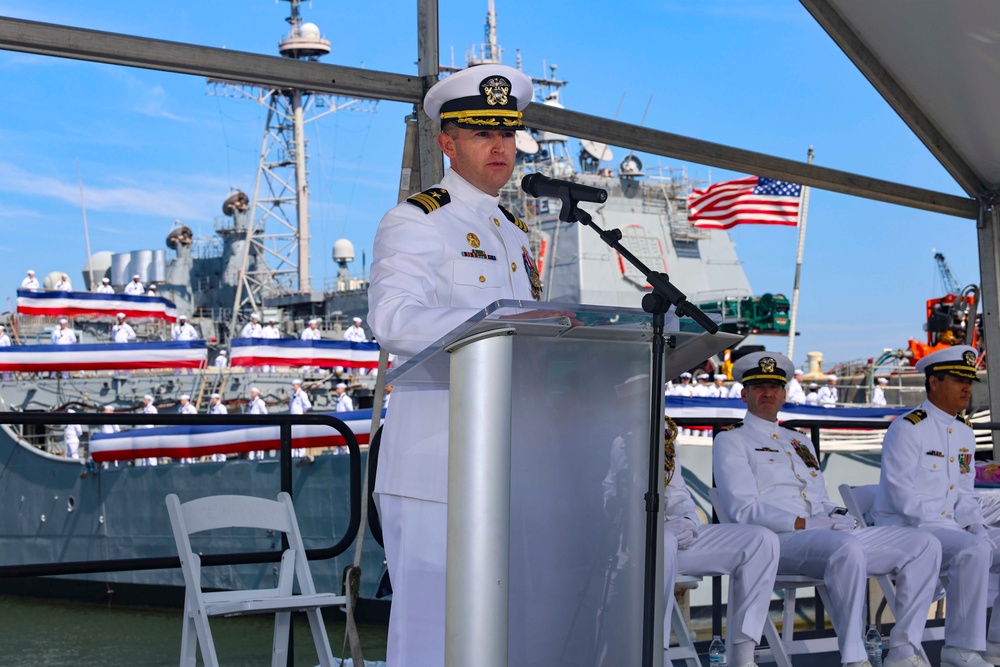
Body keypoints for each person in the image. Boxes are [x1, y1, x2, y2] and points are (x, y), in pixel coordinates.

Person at [367, 63, 536, 666]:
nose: (500, 146)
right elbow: (392, 320)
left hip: (506, 465)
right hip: (434, 462)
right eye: (482, 133)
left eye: (508, 133)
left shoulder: (515, 233)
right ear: (447, 143)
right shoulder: (417, 220)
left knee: (499, 634)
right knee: (428, 637)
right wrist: (493, 330)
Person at [713, 351, 942, 667]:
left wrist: (836, 516)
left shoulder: (798, 441)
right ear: (745, 394)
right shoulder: (731, 440)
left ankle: (903, 650)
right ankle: (855, 657)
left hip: (824, 536)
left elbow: (819, 499)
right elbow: (742, 509)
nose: (768, 393)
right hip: (777, 540)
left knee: (924, 544)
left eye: (774, 387)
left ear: (783, 394)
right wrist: (807, 524)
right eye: (759, 387)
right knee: (846, 547)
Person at [872, 345, 1000, 667]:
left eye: (969, 380)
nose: (967, 388)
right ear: (934, 383)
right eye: (958, 380)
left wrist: (975, 526)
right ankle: (959, 649)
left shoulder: (964, 432)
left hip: (949, 529)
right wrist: (962, 533)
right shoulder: (908, 428)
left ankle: (995, 643)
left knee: (982, 543)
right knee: (974, 550)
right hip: (906, 528)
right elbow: (903, 497)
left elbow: (966, 493)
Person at [289, 380, 310, 458]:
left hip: (299, 418)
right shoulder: (292, 395)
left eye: (294, 385)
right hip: (293, 419)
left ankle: (301, 455)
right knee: (293, 437)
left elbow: (308, 405)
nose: (292, 387)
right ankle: (293, 455)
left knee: (300, 437)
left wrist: (302, 411)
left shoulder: (302, 394)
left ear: (298, 385)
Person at [140, 395, 158, 466]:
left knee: (151, 447)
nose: (144, 401)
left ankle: (152, 464)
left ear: (149, 400)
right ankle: (145, 464)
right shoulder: (145, 408)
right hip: (144, 430)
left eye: (145, 400)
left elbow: (156, 418)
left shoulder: (152, 408)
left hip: (150, 429)